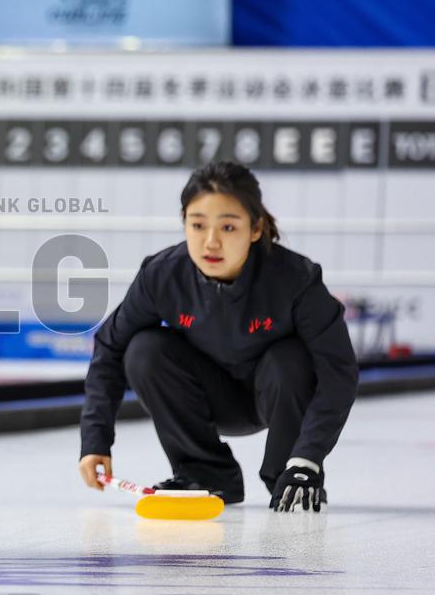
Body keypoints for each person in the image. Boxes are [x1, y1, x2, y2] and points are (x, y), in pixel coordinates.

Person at [78, 162, 358, 512]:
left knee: (290, 357)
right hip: (210, 396)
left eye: (228, 226)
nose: (211, 242)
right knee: (143, 349)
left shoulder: (296, 279)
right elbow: (110, 346)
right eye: (197, 225)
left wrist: (308, 458)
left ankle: (288, 476)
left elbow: (338, 372)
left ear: (256, 228)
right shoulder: (162, 276)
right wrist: (95, 440)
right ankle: (205, 473)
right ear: (184, 223)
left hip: (277, 393)